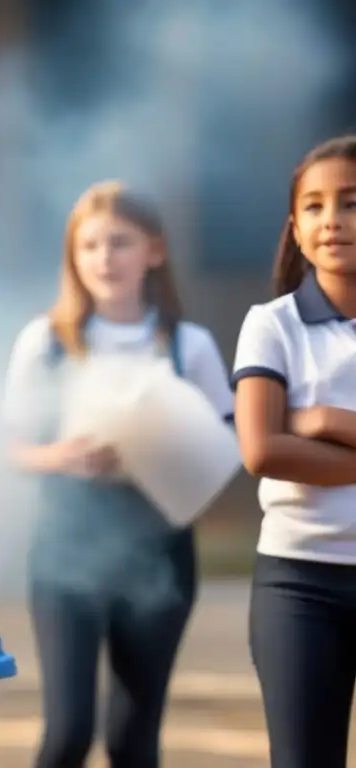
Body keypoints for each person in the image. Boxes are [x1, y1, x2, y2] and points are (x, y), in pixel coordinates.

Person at [3, 181, 234, 767]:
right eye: (90, 246)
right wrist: (61, 457)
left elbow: (229, 443)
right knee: (68, 735)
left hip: (159, 549)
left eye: (120, 243)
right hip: (65, 551)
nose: (105, 259)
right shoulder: (47, 341)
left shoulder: (190, 345)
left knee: (134, 740)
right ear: (73, 256)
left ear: (153, 251)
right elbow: (9, 446)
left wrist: (171, 456)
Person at [233, 135, 356, 768]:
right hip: (297, 583)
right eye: (314, 205)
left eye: (351, 202)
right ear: (296, 228)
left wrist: (323, 420)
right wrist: (290, 432)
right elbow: (260, 450)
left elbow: (288, 438)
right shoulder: (270, 323)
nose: (332, 219)